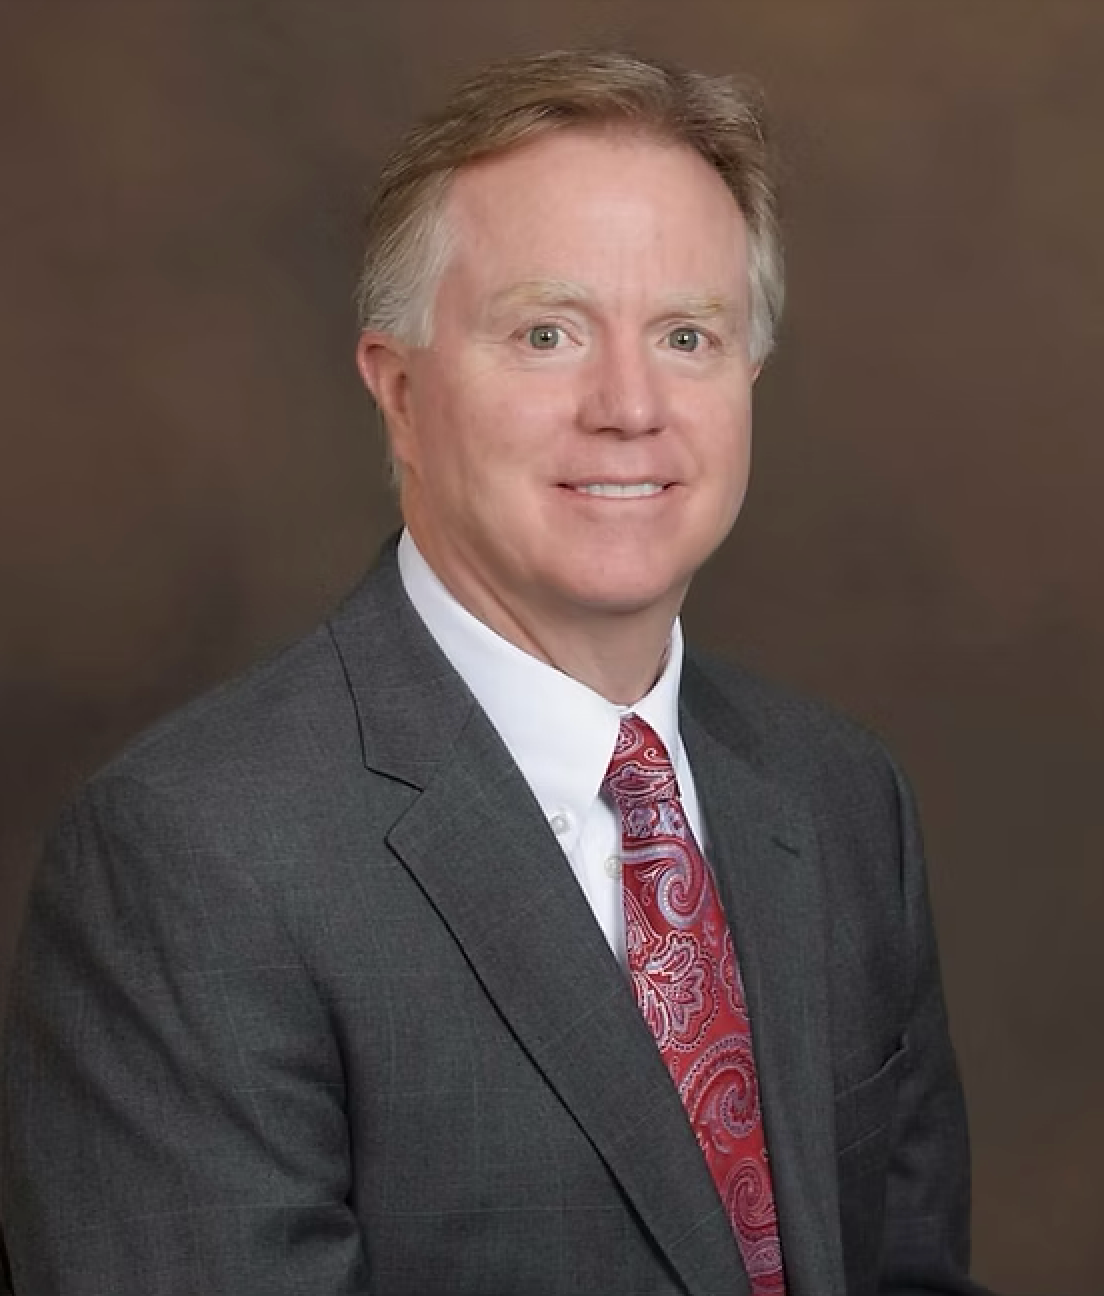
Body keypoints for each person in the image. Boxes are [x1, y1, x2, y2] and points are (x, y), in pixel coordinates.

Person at [1, 49, 990, 1296]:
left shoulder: (840, 797)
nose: (629, 405)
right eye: (546, 332)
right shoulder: (191, 862)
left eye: (688, 334)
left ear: (748, 378)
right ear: (401, 392)